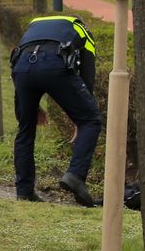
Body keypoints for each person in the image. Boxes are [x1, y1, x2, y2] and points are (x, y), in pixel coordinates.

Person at [10, 15, 101, 206]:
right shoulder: (82, 30)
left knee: (25, 128)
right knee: (91, 120)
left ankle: (24, 192)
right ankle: (75, 175)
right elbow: (87, 74)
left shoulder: (32, 26)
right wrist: (80, 118)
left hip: (22, 68)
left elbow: (18, 61)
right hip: (55, 64)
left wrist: (34, 106)